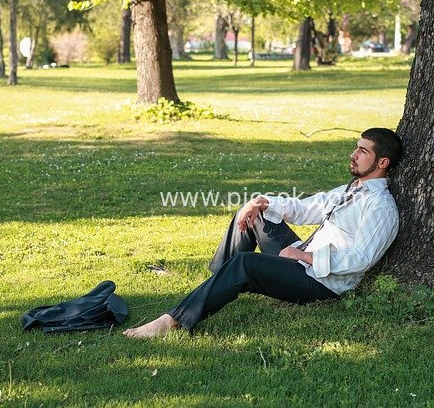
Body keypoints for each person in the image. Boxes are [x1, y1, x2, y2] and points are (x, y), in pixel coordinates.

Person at [123, 128, 404, 338]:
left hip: (320, 281)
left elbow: (361, 259)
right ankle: (217, 285)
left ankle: (172, 321)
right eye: (356, 147)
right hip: (302, 258)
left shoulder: (380, 207)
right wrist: (262, 201)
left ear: (382, 163)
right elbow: (307, 207)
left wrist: (304, 256)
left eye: (363, 151)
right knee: (252, 214)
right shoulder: (352, 189)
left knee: (245, 264)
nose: (353, 155)